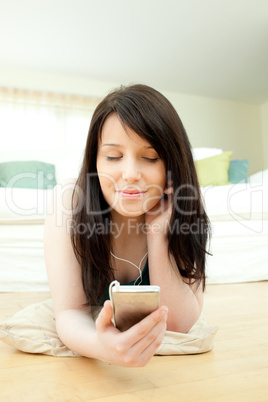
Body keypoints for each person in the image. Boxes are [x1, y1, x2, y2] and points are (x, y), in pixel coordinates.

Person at [44, 84, 210, 367]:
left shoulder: (185, 204)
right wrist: (101, 347)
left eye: (149, 158)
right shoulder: (69, 201)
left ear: (171, 164)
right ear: (94, 162)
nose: (131, 174)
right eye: (113, 157)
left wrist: (158, 234)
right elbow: (70, 311)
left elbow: (181, 325)